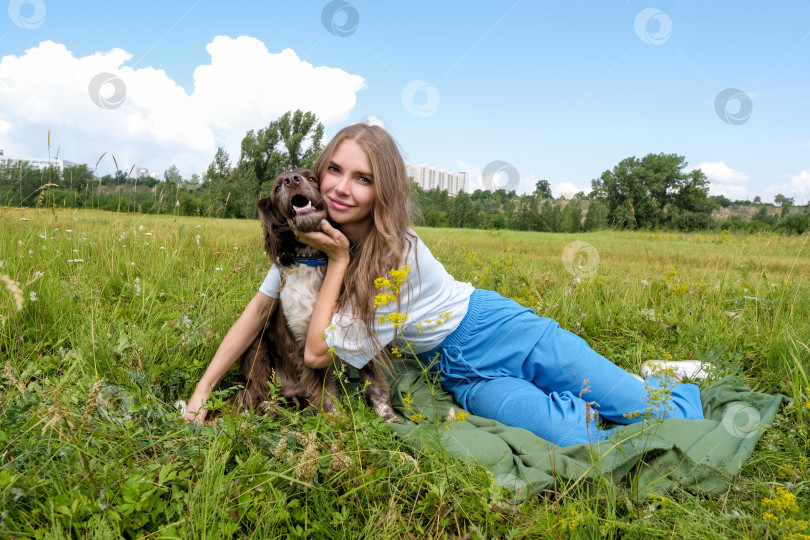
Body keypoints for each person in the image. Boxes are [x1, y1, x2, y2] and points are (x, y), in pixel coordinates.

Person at [186, 122, 706, 446]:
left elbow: (318, 356)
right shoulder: (308, 245)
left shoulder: (395, 254)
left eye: (363, 178)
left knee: (654, 413)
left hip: (498, 330)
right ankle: (595, 396)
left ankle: (655, 379)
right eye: (335, 172)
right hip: (456, 371)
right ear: (318, 176)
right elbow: (255, 314)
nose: (343, 188)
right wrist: (201, 393)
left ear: (382, 187)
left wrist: (341, 260)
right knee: (576, 437)